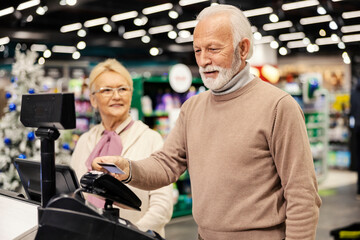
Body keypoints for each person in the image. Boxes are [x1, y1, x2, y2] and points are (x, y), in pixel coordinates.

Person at [92, 5, 322, 240]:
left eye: (213, 49)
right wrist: (128, 168)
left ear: (242, 49)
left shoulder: (278, 106)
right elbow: (166, 164)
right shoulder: (192, 108)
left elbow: (302, 194)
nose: (203, 60)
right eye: (197, 50)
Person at [70, 59, 173, 238]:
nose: (116, 96)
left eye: (123, 89)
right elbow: (74, 192)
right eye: (107, 90)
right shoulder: (85, 140)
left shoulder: (151, 139)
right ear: (93, 99)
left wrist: (130, 234)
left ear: (131, 95)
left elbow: (162, 205)